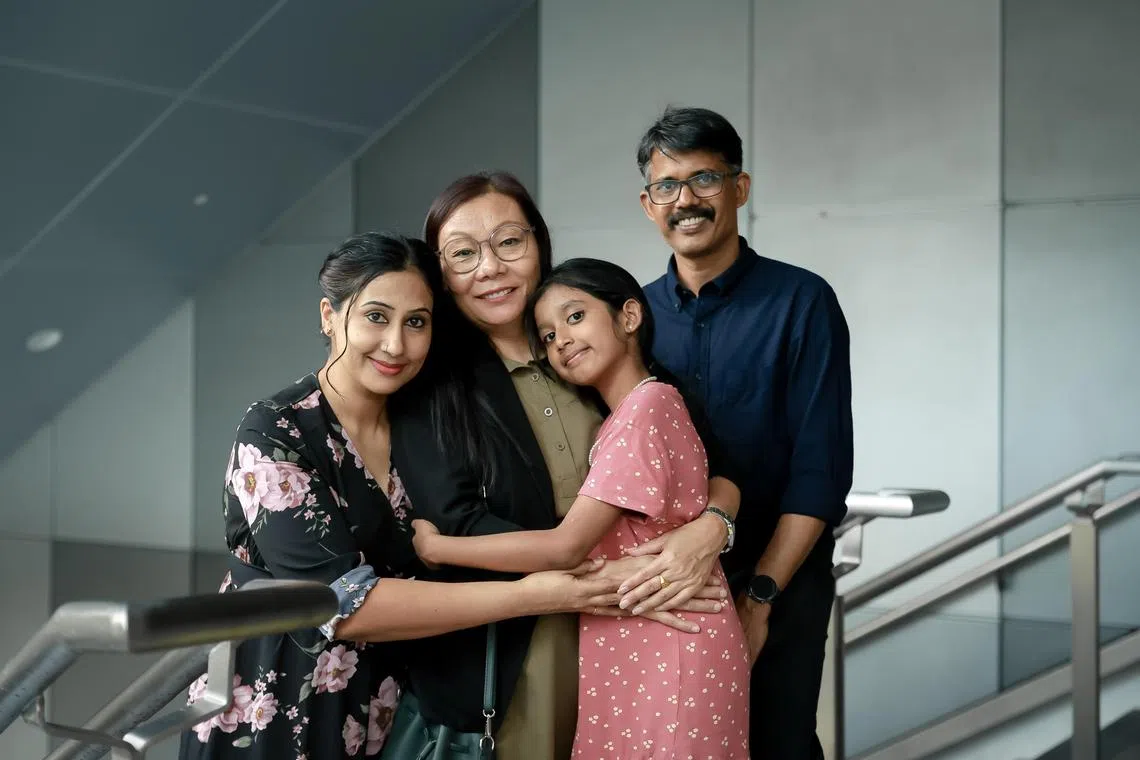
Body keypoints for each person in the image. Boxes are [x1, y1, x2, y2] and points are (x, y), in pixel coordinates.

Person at [178, 232, 623, 760]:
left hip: (388, 708)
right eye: (376, 316)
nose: (395, 344)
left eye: (416, 322)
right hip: (276, 699)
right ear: (329, 315)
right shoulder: (275, 431)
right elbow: (342, 604)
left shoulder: (425, 425)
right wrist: (536, 594)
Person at [387, 172, 742, 760]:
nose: (490, 268)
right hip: (525, 651)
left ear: (538, 243)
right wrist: (578, 578)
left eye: (508, 242)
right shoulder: (434, 384)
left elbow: (715, 466)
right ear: (440, 275)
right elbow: (455, 523)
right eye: (463, 254)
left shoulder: (593, 353)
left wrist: (712, 529)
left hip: (640, 632)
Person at [635, 105, 855, 760]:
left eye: (705, 178)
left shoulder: (802, 301)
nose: (687, 200)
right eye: (668, 185)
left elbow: (821, 473)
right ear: (648, 204)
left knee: (777, 745)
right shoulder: (631, 317)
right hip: (668, 590)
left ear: (740, 187)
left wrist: (759, 597)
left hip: (777, 584)